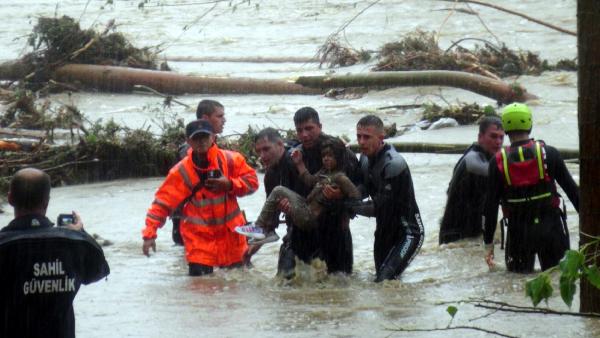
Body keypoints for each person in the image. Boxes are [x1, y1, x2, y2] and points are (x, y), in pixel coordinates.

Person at [0, 168, 110, 338]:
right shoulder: (75, 244)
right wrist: (81, 233)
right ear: (47, 201)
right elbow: (99, 271)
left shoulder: (4, 246)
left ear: (10, 199)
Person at [142, 119, 258, 276]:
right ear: (188, 141)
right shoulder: (181, 171)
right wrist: (149, 234)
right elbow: (162, 203)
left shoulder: (231, 160)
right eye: (196, 138)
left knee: (235, 294)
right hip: (199, 243)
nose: (201, 141)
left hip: (232, 241)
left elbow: (252, 183)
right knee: (201, 294)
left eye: (205, 137)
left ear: (213, 137)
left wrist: (230, 185)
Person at [483, 103, 579, 272]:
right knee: (557, 279)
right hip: (551, 230)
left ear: (505, 128)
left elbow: (490, 207)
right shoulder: (550, 153)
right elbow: (574, 193)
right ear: (530, 124)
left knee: (518, 286)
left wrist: (488, 244)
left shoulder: (497, 162)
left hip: (519, 233)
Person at [236, 138, 360, 244]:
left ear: (338, 157)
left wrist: (340, 195)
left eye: (330, 156)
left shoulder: (340, 177)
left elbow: (356, 196)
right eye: (324, 156)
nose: (326, 159)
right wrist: (300, 163)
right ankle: (267, 229)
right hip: (306, 206)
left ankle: (261, 227)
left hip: (309, 217)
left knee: (279, 190)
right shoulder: (324, 172)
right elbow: (310, 180)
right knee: (278, 194)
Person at [354, 115, 424, 282]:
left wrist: (347, 206)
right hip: (384, 231)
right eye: (359, 136)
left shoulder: (393, 164)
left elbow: (379, 208)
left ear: (381, 137)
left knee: (385, 280)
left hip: (408, 233)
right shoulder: (364, 158)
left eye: (367, 137)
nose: (362, 142)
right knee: (382, 284)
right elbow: (362, 190)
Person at [439, 116, 505, 244]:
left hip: (469, 234)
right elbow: (500, 179)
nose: (498, 142)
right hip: (457, 238)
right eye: (493, 136)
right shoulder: (473, 162)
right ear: (480, 137)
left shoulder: (479, 156)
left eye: (501, 137)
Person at [172, 99, 226, 245]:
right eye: (219, 116)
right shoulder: (190, 150)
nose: (224, 120)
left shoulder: (214, 147)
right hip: (189, 218)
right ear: (205, 119)